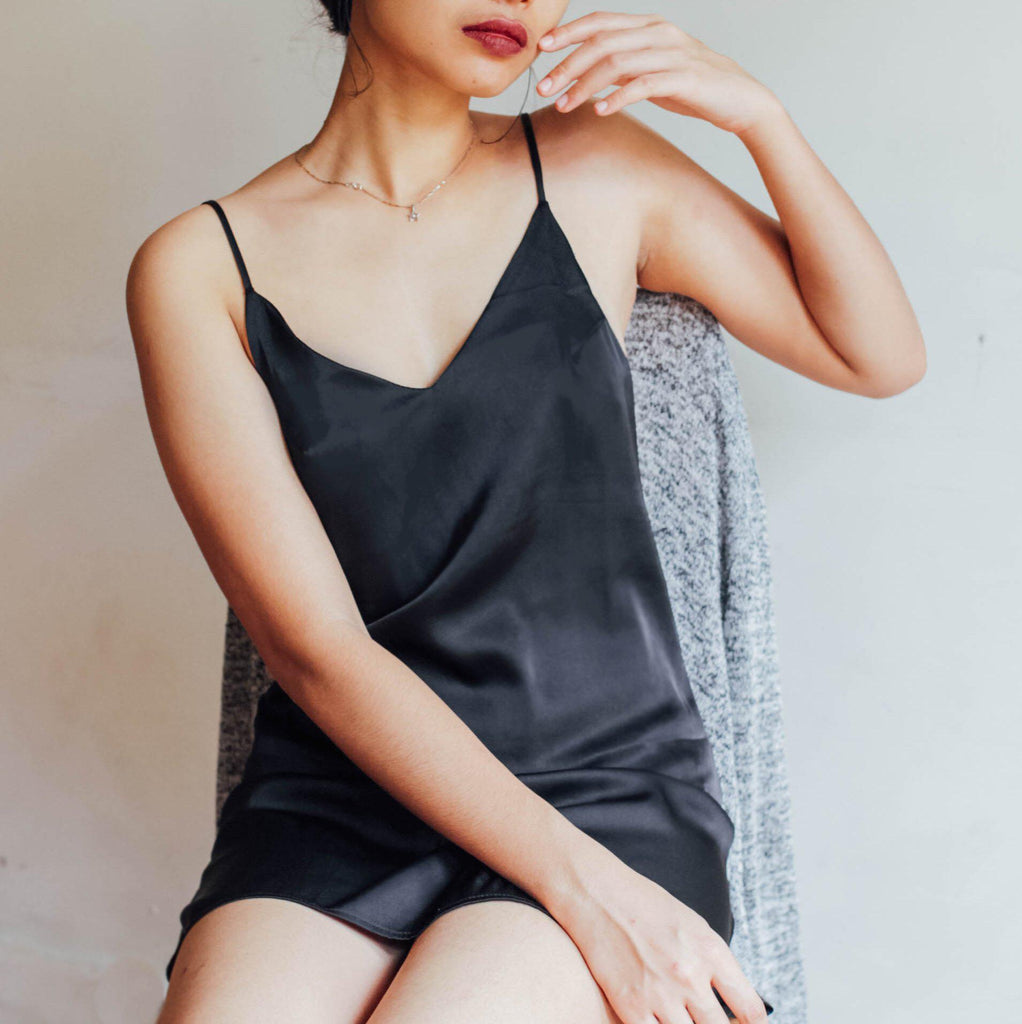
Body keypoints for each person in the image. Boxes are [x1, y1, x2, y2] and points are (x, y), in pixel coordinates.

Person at [125, 3, 925, 1022]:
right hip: (343, 791)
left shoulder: (595, 167)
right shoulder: (198, 266)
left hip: (601, 789)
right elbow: (314, 648)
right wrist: (589, 897)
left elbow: (875, 352)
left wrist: (758, 117)